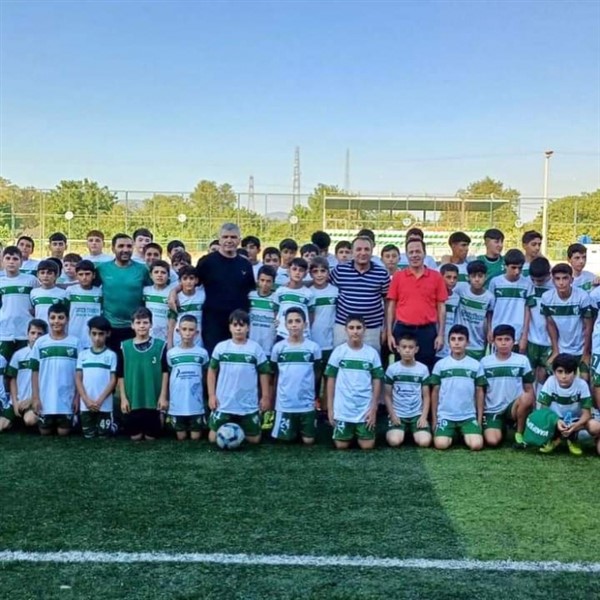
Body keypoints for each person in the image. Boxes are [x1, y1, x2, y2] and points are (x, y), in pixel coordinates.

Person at [207, 309, 271, 445]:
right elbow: (212, 371)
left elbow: (264, 373)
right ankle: (233, 428)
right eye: (235, 325)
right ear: (230, 327)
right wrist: (212, 395)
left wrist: (265, 396)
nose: (238, 329)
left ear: (248, 328)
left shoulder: (255, 348)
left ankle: (238, 430)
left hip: (247, 404)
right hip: (224, 403)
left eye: (242, 325)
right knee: (212, 438)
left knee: (255, 440)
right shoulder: (221, 347)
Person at [195, 223, 256, 355]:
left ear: (239, 240)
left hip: (238, 323)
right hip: (213, 323)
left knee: (237, 358)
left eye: (233, 237)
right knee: (214, 359)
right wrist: (174, 291)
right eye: (225, 237)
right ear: (219, 239)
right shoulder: (207, 262)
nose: (229, 240)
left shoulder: (245, 264)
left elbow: (253, 290)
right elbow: (190, 283)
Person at [387, 238, 447, 370]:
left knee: (426, 369)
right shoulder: (398, 277)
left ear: (424, 253)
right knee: (402, 370)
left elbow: (441, 307)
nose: (414, 255)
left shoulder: (436, 277)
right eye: (411, 252)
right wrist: (390, 334)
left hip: (427, 332)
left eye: (418, 251)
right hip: (403, 330)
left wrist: (440, 334)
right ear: (407, 255)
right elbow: (391, 306)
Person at [326, 314, 383, 450]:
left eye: (358, 327)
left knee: (367, 446)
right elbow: (330, 380)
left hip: (364, 409)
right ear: (345, 330)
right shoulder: (339, 352)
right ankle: (348, 432)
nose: (355, 331)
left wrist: (373, 408)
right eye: (351, 328)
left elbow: (377, 381)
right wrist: (330, 409)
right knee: (341, 446)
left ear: (364, 329)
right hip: (343, 409)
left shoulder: (372, 353)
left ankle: (359, 432)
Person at [271, 308, 322, 445]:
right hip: (285, 404)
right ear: (285, 325)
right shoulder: (278, 348)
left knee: (309, 441)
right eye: (290, 322)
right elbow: (275, 374)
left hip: (306, 404)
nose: (294, 325)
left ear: (305, 324)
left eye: (298, 321)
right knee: (284, 441)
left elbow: (317, 373)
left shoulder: (313, 348)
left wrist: (313, 394)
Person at [430, 324, 485, 451]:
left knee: (476, 445)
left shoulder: (476, 365)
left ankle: (463, 432)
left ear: (467, 342)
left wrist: (479, 419)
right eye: (453, 339)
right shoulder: (440, 365)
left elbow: (480, 392)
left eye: (460, 339)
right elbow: (435, 392)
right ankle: (453, 433)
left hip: (468, 416)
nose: (456, 343)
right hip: (446, 415)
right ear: (448, 342)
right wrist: (434, 419)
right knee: (440, 445)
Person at [118, 307, 169, 441]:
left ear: (151, 324)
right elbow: (120, 375)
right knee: (135, 437)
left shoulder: (160, 345)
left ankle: (161, 415)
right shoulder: (124, 346)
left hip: (153, 400)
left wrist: (163, 396)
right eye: (138, 322)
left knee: (150, 437)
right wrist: (123, 398)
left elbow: (165, 372)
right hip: (133, 400)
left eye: (145, 322)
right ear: (132, 325)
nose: (142, 326)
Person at [480, 325, 535, 448]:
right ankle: (501, 427)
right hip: (492, 410)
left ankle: (519, 433)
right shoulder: (484, 362)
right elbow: (481, 391)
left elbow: (529, 388)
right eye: (499, 339)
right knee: (492, 441)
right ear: (493, 341)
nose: (503, 343)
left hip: (513, 407)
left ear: (513, 341)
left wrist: (533, 409)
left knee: (527, 397)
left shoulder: (522, 361)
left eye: (507, 339)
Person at [331, 236, 389, 351]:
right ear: (352, 252)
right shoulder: (339, 271)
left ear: (372, 252)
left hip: (371, 329)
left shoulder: (382, 273)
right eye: (358, 249)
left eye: (366, 249)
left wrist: (386, 328)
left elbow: (387, 302)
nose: (363, 253)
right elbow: (323, 286)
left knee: (371, 360)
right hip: (343, 327)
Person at [96, 233, 152, 353]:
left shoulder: (142, 270)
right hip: (110, 327)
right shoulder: (102, 269)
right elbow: (88, 287)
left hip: (135, 327)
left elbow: (155, 289)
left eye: (129, 246)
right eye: (121, 246)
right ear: (113, 248)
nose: (125, 250)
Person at [31, 304, 79, 436]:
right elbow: (34, 372)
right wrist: (35, 397)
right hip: (45, 399)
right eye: (53, 318)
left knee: (63, 432)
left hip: (66, 399)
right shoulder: (40, 343)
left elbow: (79, 374)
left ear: (67, 319)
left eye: (60, 317)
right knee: (45, 432)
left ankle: (73, 419)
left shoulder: (75, 342)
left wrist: (77, 397)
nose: (56, 321)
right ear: (48, 319)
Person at [538, 353, 600, 455]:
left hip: (575, 421)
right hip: (555, 420)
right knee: (538, 418)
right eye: (560, 371)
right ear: (554, 372)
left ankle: (573, 439)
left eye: (568, 372)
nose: (563, 376)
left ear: (575, 373)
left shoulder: (582, 385)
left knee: (595, 427)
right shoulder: (550, 382)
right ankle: (555, 438)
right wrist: (556, 421)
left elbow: (587, 414)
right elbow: (543, 409)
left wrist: (575, 426)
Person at [541, 263, 592, 378]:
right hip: (561, 348)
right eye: (557, 279)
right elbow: (550, 325)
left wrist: (585, 353)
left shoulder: (582, 296)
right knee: (546, 372)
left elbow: (588, 326)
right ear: (553, 281)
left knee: (585, 378)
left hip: (580, 349)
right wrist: (555, 350)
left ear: (571, 280)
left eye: (565, 278)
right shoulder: (547, 298)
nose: (561, 282)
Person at [383, 332, 431, 448]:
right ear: (398, 349)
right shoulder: (392, 369)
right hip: (398, 414)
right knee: (394, 441)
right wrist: (392, 415)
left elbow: (426, 396)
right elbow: (387, 395)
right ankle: (401, 431)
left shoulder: (423, 369)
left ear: (416, 349)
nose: (407, 350)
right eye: (404, 347)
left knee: (425, 442)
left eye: (411, 347)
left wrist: (423, 417)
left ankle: (414, 430)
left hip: (417, 414)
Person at [166, 315, 209, 441]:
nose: (187, 333)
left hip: (196, 404)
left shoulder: (202, 353)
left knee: (195, 437)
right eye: (184, 329)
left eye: (191, 330)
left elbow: (206, 376)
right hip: (177, 404)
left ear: (197, 333)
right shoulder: (171, 354)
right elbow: (168, 376)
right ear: (178, 331)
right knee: (181, 437)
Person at [1, 319, 47, 431]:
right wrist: (15, 402)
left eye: (40, 334)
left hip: (35, 400)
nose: (35, 337)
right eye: (33, 333)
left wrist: (31, 400)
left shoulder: (46, 356)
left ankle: (41, 420)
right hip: (18, 400)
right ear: (27, 334)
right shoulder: (19, 355)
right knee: (2, 425)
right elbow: (12, 379)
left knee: (29, 420)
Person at [75, 316, 118, 439]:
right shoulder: (83, 355)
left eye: (101, 334)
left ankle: (114, 424)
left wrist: (100, 401)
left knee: (103, 435)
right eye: (94, 334)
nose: (97, 338)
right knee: (89, 435)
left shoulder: (111, 355)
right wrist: (86, 400)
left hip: (104, 404)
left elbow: (113, 380)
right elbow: (78, 379)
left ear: (108, 334)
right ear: (89, 333)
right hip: (86, 404)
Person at [488, 249, 534, 353]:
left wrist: (524, 336)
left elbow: (527, 310)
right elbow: (490, 310)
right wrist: (490, 329)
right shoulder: (495, 282)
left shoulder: (527, 284)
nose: (517, 271)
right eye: (513, 267)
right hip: (498, 333)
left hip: (517, 334)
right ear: (505, 266)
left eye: (520, 268)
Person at [0, 246, 38, 361]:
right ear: (2, 261)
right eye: (8, 258)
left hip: (25, 331)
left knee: (23, 367)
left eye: (15, 259)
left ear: (21, 262)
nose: (11, 262)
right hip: (4, 331)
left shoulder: (31, 280)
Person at [309, 257, 338, 405]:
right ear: (310, 274)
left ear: (328, 272)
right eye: (315, 271)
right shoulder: (308, 292)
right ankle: (313, 405)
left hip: (330, 341)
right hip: (313, 340)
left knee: (329, 377)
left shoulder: (335, 291)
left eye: (323, 271)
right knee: (314, 376)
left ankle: (327, 408)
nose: (319, 275)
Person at [455, 260, 494, 361]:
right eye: (473, 276)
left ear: (485, 277)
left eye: (480, 276)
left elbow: (490, 314)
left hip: (479, 342)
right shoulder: (461, 290)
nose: (477, 279)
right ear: (468, 277)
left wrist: (490, 330)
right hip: (461, 342)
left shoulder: (489, 297)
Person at [526, 257, 554, 390]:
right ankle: (531, 399)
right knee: (530, 372)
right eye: (533, 279)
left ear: (549, 274)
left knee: (543, 372)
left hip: (549, 340)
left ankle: (540, 399)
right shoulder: (527, 284)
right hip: (531, 338)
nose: (536, 283)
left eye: (540, 280)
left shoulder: (555, 286)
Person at [272, 258, 315, 342]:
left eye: (301, 270)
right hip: (282, 334)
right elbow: (276, 309)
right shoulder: (280, 291)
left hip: (302, 335)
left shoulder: (309, 294)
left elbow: (311, 315)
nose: (297, 272)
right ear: (288, 271)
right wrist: (278, 323)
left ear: (305, 274)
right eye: (294, 269)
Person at [66, 260, 103, 350]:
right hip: (74, 335)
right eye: (81, 274)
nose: (84, 277)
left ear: (93, 275)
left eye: (87, 274)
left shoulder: (99, 292)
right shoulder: (70, 291)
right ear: (76, 275)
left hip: (93, 338)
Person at [167, 266, 205, 349]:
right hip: (179, 337)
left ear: (196, 280)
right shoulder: (176, 298)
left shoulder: (203, 295)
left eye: (191, 278)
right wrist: (169, 344)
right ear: (180, 281)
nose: (188, 281)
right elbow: (171, 321)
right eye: (185, 278)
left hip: (198, 337)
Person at [248, 265, 278, 358]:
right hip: (251, 342)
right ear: (257, 280)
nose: (265, 284)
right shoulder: (250, 296)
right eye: (262, 280)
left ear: (273, 282)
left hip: (268, 344)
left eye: (268, 281)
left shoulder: (276, 298)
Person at [143, 259, 172, 343]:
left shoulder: (172, 292)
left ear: (168, 276)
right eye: (156, 272)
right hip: (148, 336)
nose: (159, 275)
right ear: (150, 275)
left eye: (163, 272)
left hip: (166, 337)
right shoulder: (145, 291)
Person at [436, 263, 460, 360]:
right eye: (448, 277)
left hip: (448, 342)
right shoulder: (433, 295)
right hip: (435, 337)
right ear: (441, 277)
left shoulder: (457, 298)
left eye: (455, 278)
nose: (452, 281)